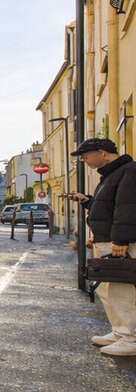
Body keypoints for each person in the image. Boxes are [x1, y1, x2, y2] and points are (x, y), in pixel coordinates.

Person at [66, 137, 136, 357]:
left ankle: (131, 337)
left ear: (103, 152)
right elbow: (109, 205)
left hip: (117, 241)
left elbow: (128, 207)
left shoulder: (129, 171)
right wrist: (88, 201)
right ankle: (120, 331)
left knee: (122, 290)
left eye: (86, 156)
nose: (84, 160)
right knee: (108, 290)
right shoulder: (112, 175)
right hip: (106, 239)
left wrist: (121, 240)